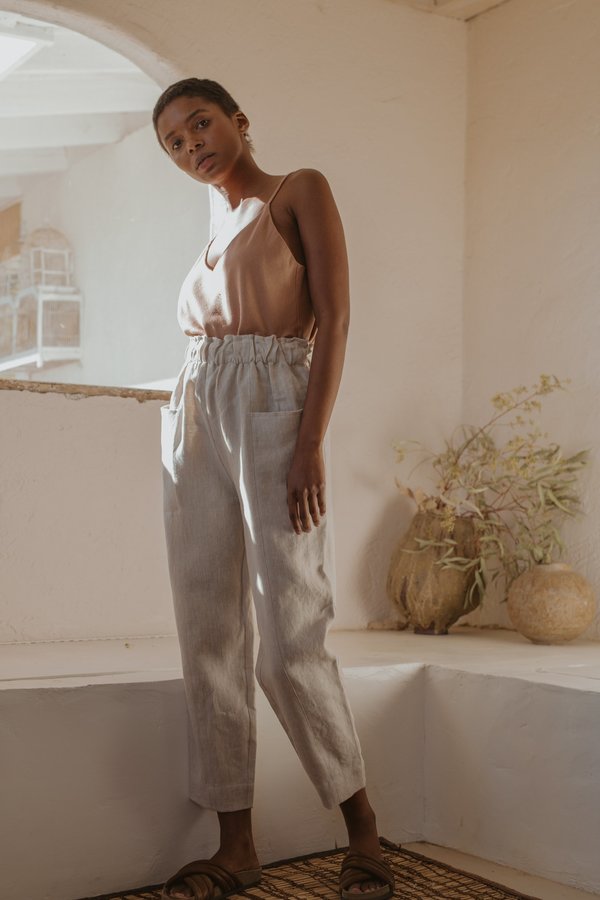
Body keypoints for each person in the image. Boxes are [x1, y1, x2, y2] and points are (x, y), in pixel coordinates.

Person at [153, 78, 395, 900]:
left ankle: (364, 830)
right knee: (207, 631)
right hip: (195, 411)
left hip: (272, 404)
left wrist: (309, 444)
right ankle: (236, 847)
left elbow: (336, 319)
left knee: (291, 630)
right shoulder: (213, 227)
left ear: (239, 120)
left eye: (200, 124)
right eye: (175, 143)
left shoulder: (298, 191)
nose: (191, 145)